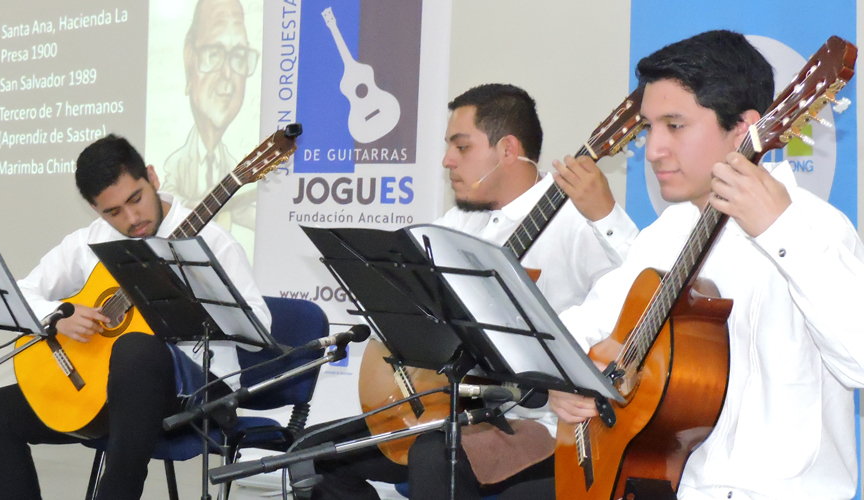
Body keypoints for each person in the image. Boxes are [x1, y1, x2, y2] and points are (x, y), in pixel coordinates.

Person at [548, 30, 864, 500]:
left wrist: (779, 232)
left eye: (674, 126)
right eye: (650, 127)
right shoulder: (666, 234)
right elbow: (583, 328)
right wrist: (564, 381)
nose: (653, 149)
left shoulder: (816, 228)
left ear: (745, 128)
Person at [299, 84, 640, 500]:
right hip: (454, 408)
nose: (447, 161)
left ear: (508, 150)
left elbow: (641, 292)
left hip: (543, 421)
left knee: (434, 455)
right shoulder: (459, 224)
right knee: (311, 452)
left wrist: (605, 215)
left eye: (461, 147)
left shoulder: (577, 223)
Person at [0, 134, 271, 500]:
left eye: (136, 199)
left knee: (135, 348)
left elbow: (260, 327)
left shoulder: (213, 243)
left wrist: (197, 302)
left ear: (152, 177)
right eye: (113, 212)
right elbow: (21, 292)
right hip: (108, 395)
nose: (132, 219)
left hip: (198, 393)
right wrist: (58, 316)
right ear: (96, 210)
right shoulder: (90, 241)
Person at [160, 0, 260, 243]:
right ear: (189, 58)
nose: (227, 74)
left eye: (238, 56)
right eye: (214, 54)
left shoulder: (235, 166)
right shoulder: (174, 165)